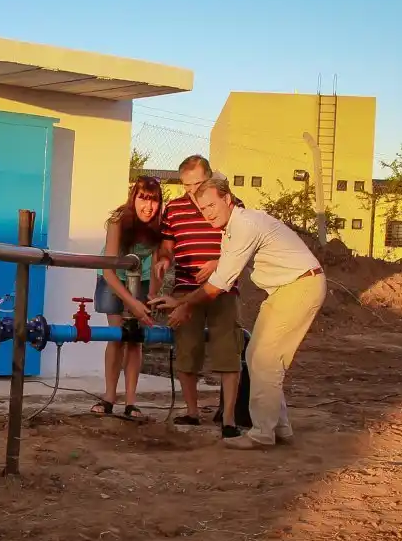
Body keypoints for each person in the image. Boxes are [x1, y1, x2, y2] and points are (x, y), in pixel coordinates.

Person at [148, 175, 326, 450]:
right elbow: (222, 272)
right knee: (255, 355)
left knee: (267, 360)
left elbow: (220, 283)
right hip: (283, 289)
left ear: (227, 199)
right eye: (202, 208)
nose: (207, 213)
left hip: (300, 285)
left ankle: (262, 433)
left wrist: (182, 304)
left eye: (211, 205)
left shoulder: (244, 224)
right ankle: (279, 427)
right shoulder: (231, 228)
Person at [150, 155, 245, 438]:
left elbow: (243, 243)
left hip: (224, 287)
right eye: (186, 185)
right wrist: (165, 260)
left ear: (210, 178)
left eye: (198, 183)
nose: (192, 190)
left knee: (228, 351)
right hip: (185, 289)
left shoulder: (230, 203)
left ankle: (228, 418)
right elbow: (168, 245)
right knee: (187, 350)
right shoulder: (175, 209)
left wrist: (218, 263)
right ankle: (192, 412)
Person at [91, 176, 160, 420]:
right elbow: (109, 271)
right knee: (117, 335)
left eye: (154, 200)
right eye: (143, 198)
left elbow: (156, 266)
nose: (148, 206)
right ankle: (109, 396)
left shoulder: (158, 226)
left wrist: (151, 296)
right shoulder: (118, 221)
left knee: (135, 339)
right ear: (133, 198)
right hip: (113, 279)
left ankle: (131, 401)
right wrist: (132, 303)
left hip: (139, 278)